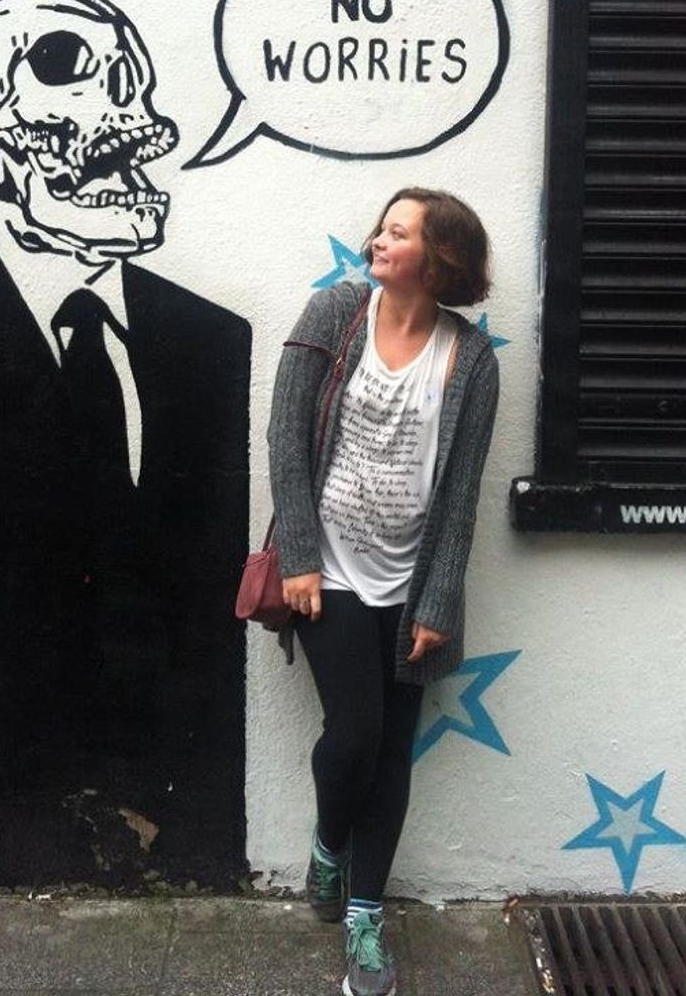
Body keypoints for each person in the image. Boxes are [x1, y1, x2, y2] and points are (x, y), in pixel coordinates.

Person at [268, 187, 499, 996]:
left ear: (438, 261)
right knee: (356, 735)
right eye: (383, 227)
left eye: (399, 233)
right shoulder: (335, 314)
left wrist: (439, 601)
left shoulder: (471, 358)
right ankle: (329, 843)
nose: (379, 240)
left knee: (394, 749)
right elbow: (285, 433)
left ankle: (364, 916)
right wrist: (298, 556)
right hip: (326, 572)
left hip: (410, 584)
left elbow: (462, 490)